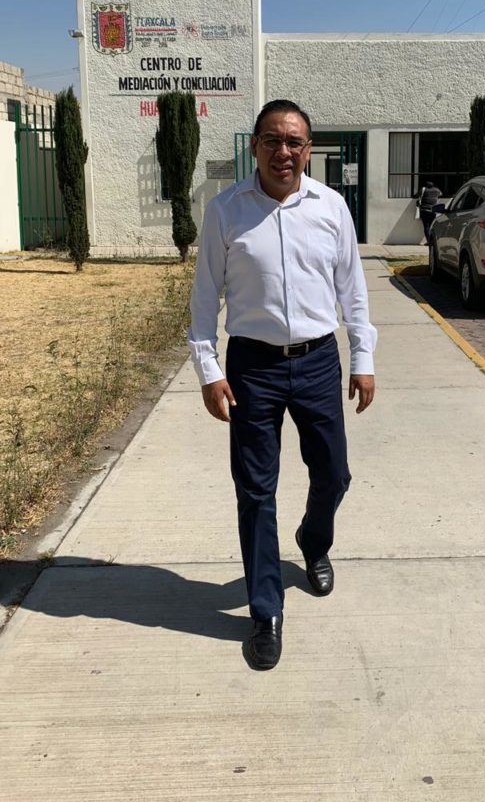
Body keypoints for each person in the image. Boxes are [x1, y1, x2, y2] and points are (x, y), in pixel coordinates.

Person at [188, 99, 377, 671]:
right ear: (255, 147)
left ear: (309, 150)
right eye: (272, 140)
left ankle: (313, 542)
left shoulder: (331, 207)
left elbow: (352, 290)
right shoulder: (226, 211)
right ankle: (265, 610)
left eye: (294, 142)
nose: (283, 152)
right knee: (255, 491)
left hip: (318, 362)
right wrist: (209, 370)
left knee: (334, 473)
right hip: (253, 367)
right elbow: (204, 298)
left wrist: (362, 356)